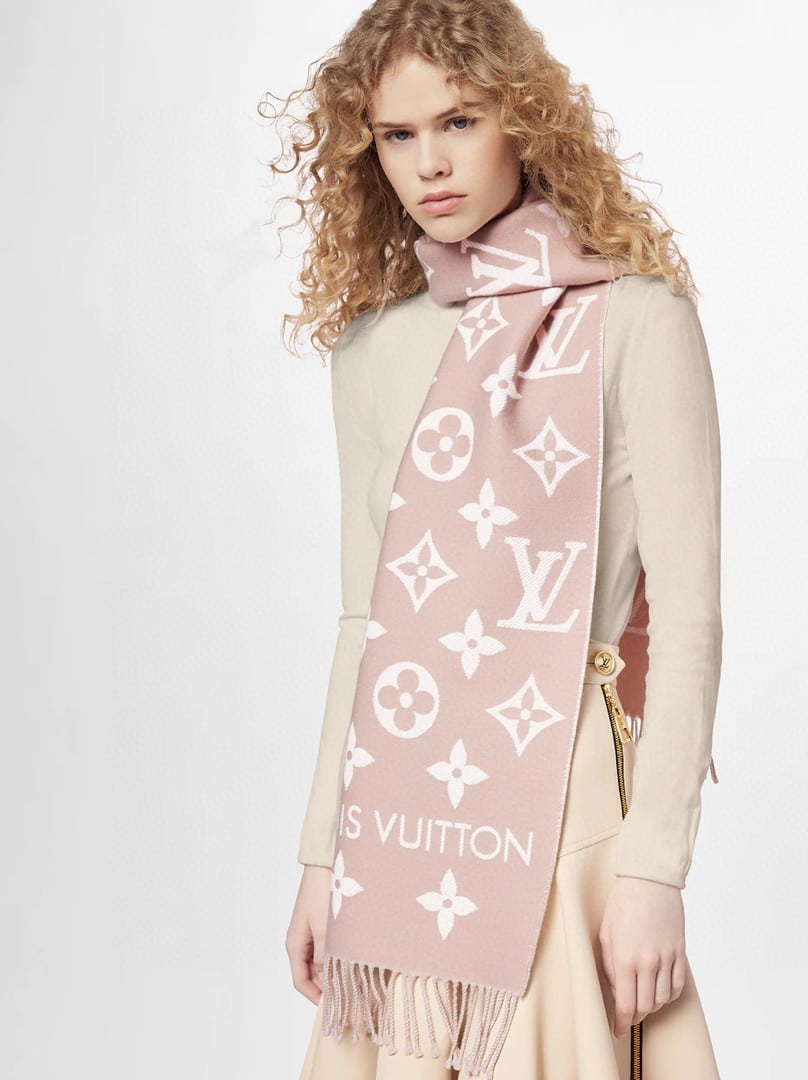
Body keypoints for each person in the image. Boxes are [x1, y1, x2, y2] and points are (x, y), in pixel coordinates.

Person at [266, 2, 723, 1076]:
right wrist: (322, 858)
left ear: (523, 118)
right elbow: (365, 622)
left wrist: (654, 870)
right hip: (399, 819)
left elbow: (689, 617)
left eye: (459, 121)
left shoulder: (637, 317)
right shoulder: (372, 345)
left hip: (562, 799)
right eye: (397, 134)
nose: (429, 163)